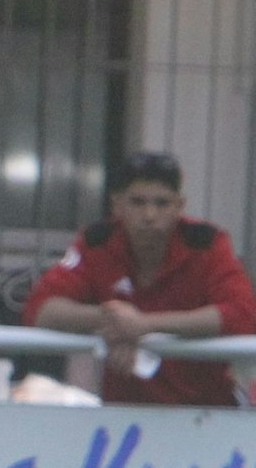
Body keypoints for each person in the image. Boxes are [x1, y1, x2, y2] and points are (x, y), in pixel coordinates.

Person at [23, 150, 256, 406]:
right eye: (137, 202)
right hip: (125, 416)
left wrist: (144, 325)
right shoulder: (97, 243)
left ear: (180, 206)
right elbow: (39, 309)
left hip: (207, 413)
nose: (149, 215)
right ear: (117, 205)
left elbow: (243, 315)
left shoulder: (206, 243)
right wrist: (112, 319)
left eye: (162, 203)